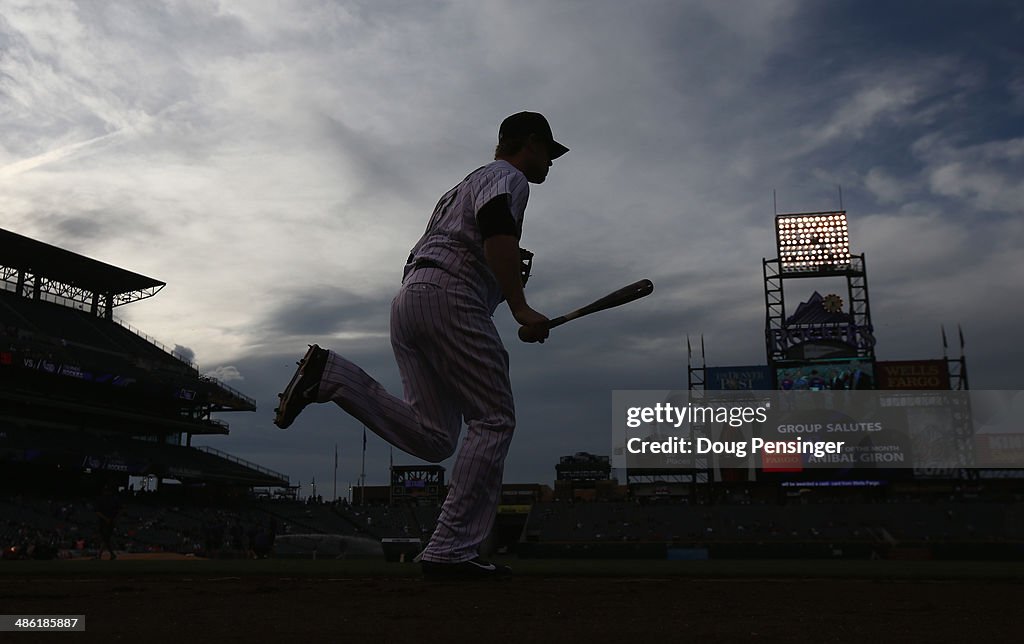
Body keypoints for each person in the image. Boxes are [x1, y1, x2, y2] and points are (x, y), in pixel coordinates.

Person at [274, 111, 568, 579]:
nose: (550, 163)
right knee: (493, 419)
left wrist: (501, 295)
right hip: (448, 295)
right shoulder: (507, 176)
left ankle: (331, 375)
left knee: (435, 438)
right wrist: (519, 306)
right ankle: (451, 551)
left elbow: (469, 245)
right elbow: (494, 226)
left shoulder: (459, 188)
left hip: (412, 299)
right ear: (528, 143)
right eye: (548, 152)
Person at [94, 485, 122, 561]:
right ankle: (111, 555)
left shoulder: (111, 499)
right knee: (105, 539)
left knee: (105, 538)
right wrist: (110, 519)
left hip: (107, 522)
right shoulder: (111, 499)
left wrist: (112, 519)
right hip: (106, 521)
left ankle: (99, 556)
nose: (107, 492)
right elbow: (97, 511)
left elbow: (97, 511)